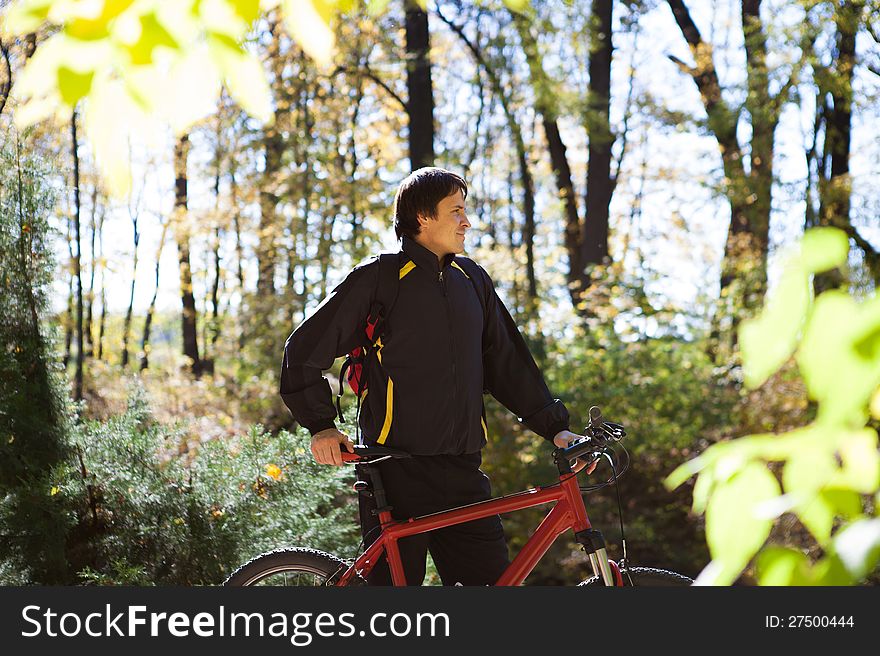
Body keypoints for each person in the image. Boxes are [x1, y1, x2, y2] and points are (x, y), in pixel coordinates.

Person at [280, 167, 593, 586]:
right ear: (423, 218)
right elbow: (303, 350)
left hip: (462, 469)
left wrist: (555, 429)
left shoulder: (473, 281)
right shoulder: (380, 278)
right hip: (394, 470)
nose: (467, 222)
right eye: (457, 211)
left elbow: (507, 363)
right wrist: (321, 425)